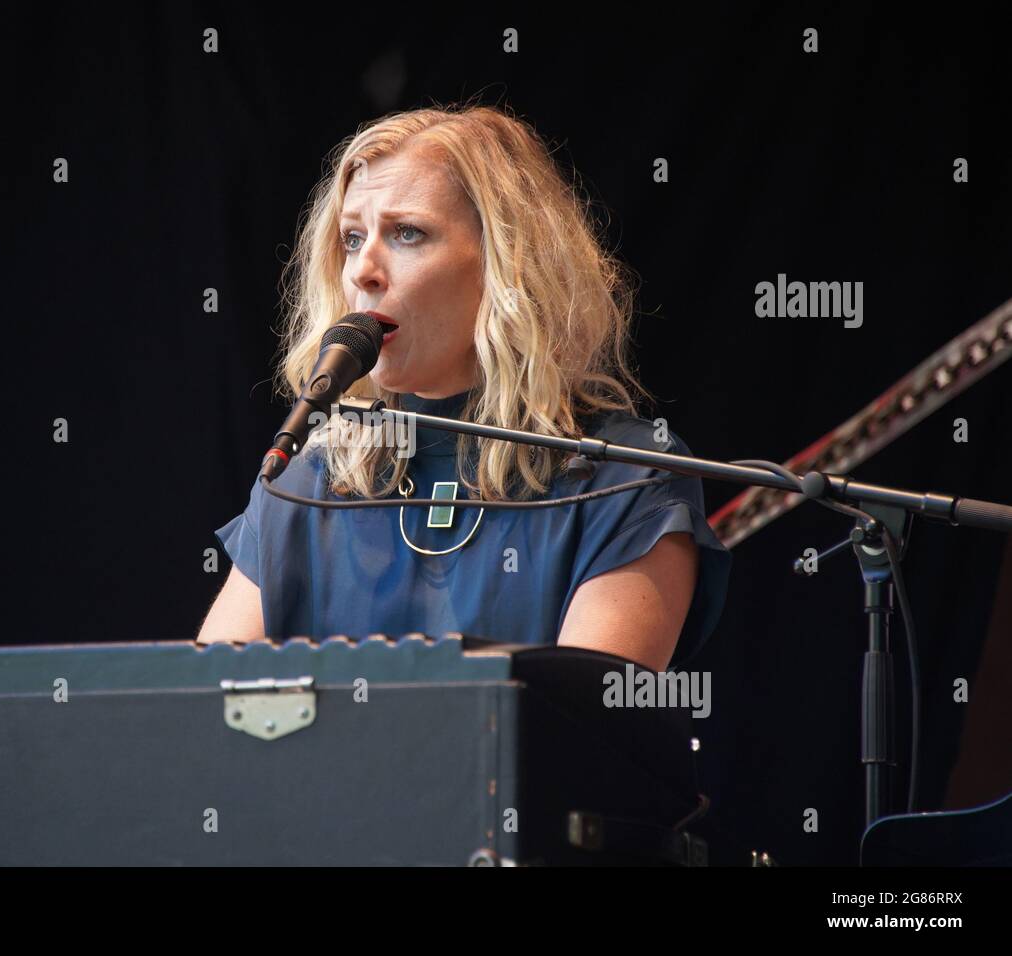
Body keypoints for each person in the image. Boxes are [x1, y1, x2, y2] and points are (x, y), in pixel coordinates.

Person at [197, 104, 730, 672]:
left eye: (407, 233)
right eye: (352, 238)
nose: (363, 271)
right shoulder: (304, 485)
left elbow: (584, 737)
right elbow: (199, 716)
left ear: (509, 266)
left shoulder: (627, 480)